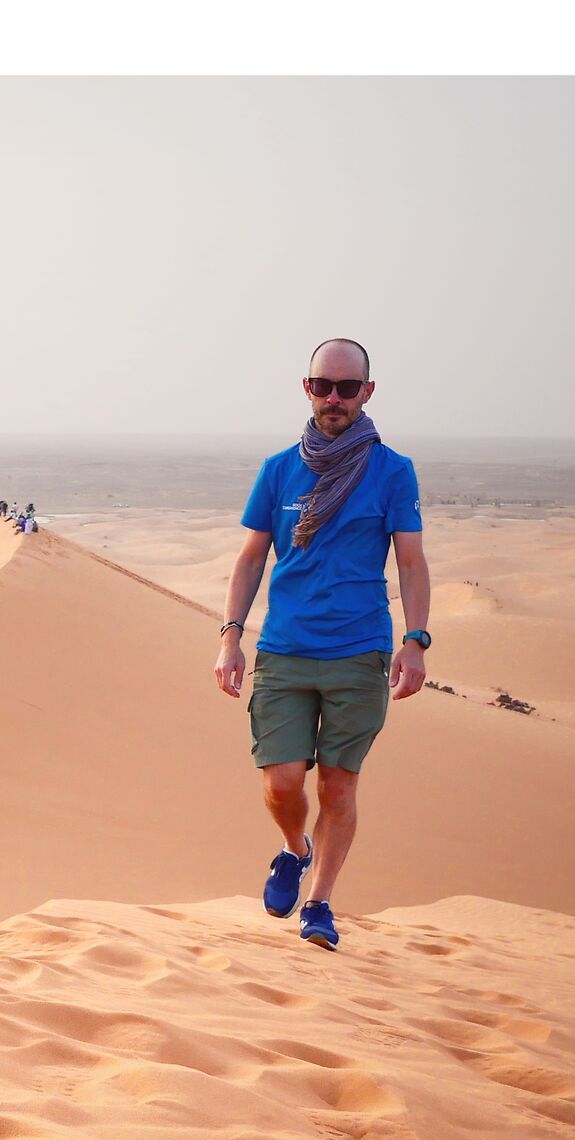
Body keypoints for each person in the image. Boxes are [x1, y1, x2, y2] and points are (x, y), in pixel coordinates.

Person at [212, 337, 429, 952]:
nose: (335, 399)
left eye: (348, 388)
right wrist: (231, 637)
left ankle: (321, 903)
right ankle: (294, 849)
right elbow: (252, 556)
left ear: (368, 391)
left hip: (359, 651)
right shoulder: (279, 469)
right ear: (306, 389)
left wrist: (415, 639)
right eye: (323, 386)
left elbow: (411, 563)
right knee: (282, 783)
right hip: (284, 649)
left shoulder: (393, 471)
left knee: (338, 786)